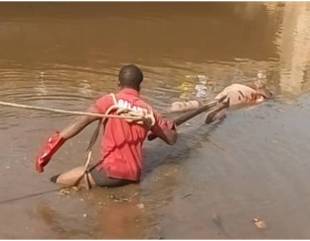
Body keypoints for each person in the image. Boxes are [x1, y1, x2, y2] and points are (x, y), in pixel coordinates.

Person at [35, 65, 177, 188]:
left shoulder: (110, 101)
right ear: (139, 86)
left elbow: (78, 123)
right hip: (135, 175)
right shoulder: (148, 111)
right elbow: (171, 140)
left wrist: (48, 152)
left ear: (118, 84)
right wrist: (162, 126)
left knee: (56, 181)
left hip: (111, 172)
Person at [205, 79, 273, 124]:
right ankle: (218, 111)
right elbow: (252, 107)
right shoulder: (258, 95)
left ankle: (211, 108)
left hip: (228, 91)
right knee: (223, 110)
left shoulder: (238, 85)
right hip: (235, 98)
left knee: (216, 102)